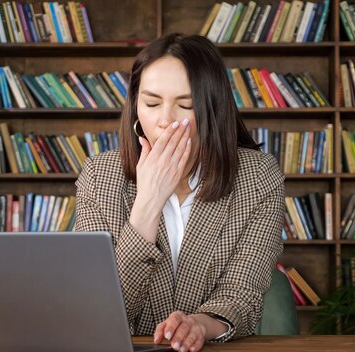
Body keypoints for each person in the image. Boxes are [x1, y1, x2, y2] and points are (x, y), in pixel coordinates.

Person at [74, 33, 284, 352]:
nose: (165, 121)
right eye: (151, 103)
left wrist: (199, 324)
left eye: (185, 105)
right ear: (134, 108)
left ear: (212, 110)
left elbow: (242, 293)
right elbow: (98, 312)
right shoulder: (100, 176)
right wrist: (148, 203)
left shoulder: (257, 176)